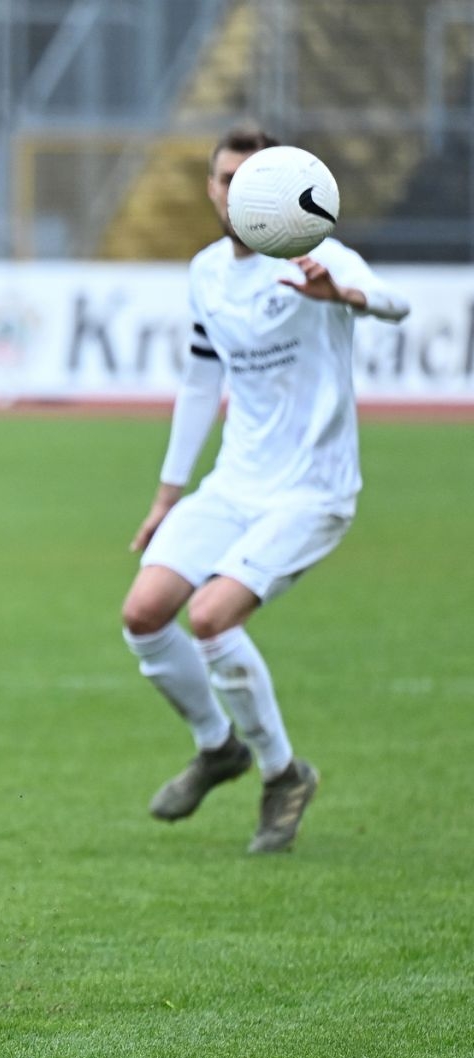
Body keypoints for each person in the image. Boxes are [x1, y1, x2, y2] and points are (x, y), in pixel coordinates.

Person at [121, 126, 409, 853]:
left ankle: (284, 774)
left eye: (250, 179)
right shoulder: (205, 273)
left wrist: (342, 295)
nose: (234, 192)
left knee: (211, 618)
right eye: (225, 179)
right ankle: (218, 747)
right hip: (234, 483)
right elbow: (200, 383)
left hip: (313, 490)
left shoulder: (317, 253)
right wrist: (166, 497)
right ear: (212, 188)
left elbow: (395, 303)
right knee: (144, 614)